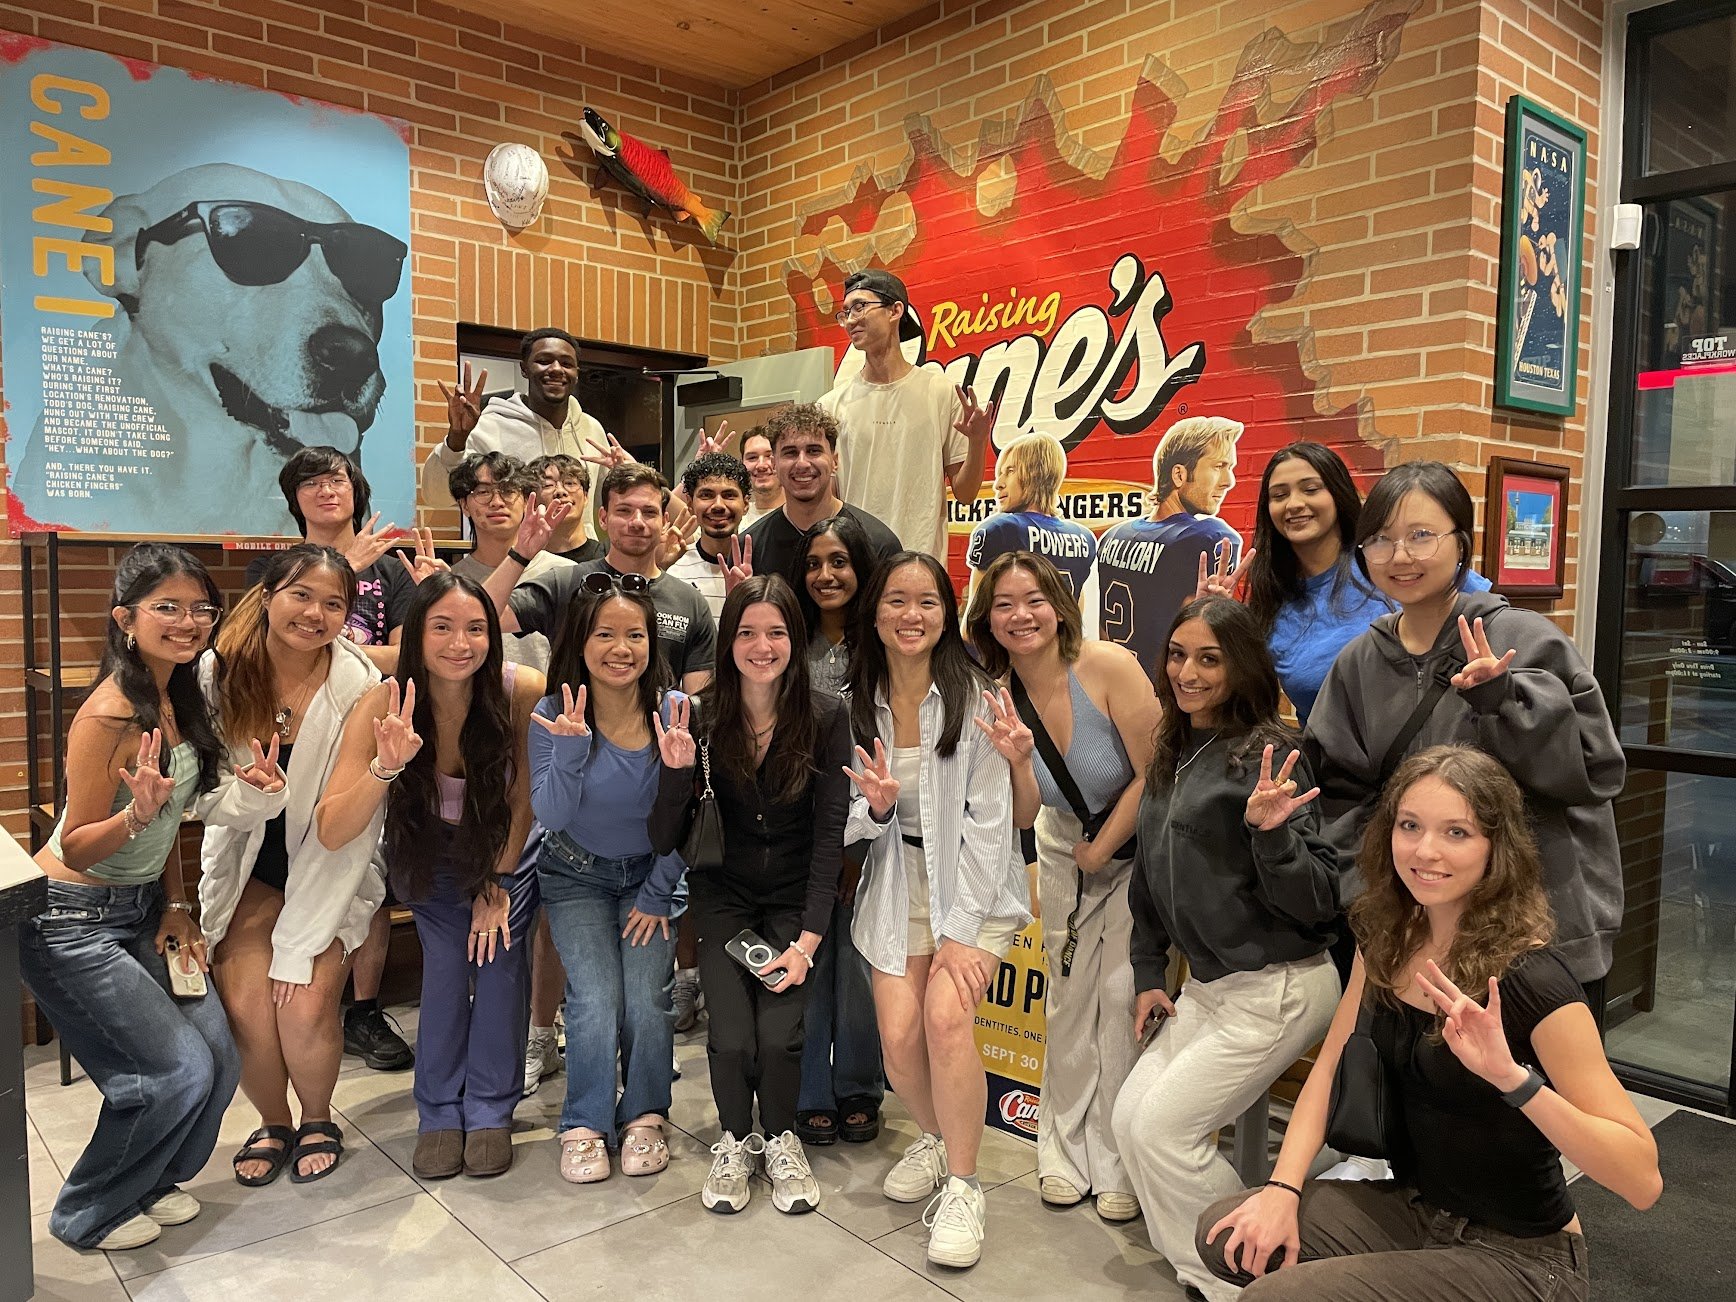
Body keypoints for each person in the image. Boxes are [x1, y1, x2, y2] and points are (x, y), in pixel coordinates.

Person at [1197, 746, 1663, 1301]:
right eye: (1410, 826)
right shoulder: (1389, 938)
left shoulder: (1531, 980)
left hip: (1524, 1256)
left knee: (1276, 1298)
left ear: (1497, 849)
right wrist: (1282, 1188)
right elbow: (1331, 1066)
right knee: (1224, 1232)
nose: (1425, 851)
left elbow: (1642, 1181)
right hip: (1420, 1213)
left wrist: (1514, 1079)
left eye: (1457, 833)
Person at [1305, 461, 1625, 988]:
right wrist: (1373, 895)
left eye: (1421, 536)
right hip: (1415, 930)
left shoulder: (1525, 639)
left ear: (1461, 543)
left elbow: (1594, 773)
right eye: (1380, 540)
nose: (1400, 556)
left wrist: (1506, 704)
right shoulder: (1359, 662)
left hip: (1536, 933)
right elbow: (1338, 792)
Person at [1110, 595, 1342, 1302]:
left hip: (1280, 983)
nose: (1187, 672)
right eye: (1178, 655)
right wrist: (1149, 972)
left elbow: (1319, 900)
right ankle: (1206, 1270)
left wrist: (1271, 836)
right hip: (1210, 987)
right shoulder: (1175, 748)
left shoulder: (1270, 755)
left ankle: (1252, 1280)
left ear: (1240, 666)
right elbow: (1150, 876)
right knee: (1130, 1123)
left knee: (1162, 1134)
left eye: (1209, 659)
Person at [19, 544, 241, 1251]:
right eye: (166, 607)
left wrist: (176, 904)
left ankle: (150, 1182)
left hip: (141, 908)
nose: (188, 621)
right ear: (125, 619)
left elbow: (169, 820)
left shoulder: (177, 696)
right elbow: (77, 844)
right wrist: (136, 818)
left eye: (201, 608)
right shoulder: (110, 715)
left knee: (219, 1058)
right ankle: (87, 1213)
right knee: (172, 1071)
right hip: (68, 920)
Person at [316, 572, 545, 1180]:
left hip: (504, 850)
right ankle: (439, 1112)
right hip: (426, 854)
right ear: (416, 634)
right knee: (445, 970)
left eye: (475, 628)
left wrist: (497, 883)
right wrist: (385, 766)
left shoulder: (521, 690)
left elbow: (523, 797)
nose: (459, 644)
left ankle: (490, 1109)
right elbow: (331, 825)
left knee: (499, 963)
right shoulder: (384, 702)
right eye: (441, 627)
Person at [842, 551, 1032, 1269]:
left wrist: (959, 934)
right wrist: (874, 810)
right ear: (875, 614)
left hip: (973, 890)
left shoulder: (977, 698)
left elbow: (992, 827)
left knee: (946, 1021)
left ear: (947, 615)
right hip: (896, 881)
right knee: (897, 1039)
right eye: (896, 600)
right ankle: (932, 1136)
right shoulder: (855, 701)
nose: (911, 614)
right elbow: (844, 820)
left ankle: (963, 1185)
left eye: (927, 601)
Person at [964, 551, 1158, 1224]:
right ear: (987, 619)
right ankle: (1062, 1151)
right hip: (1061, 850)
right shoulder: (994, 693)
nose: (1021, 616)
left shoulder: (1108, 666)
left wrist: (1103, 848)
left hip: (1132, 852)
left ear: (1060, 607)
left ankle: (1119, 1162)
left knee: (1122, 1000)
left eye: (1034, 600)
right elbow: (1023, 814)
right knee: (1068, 1003)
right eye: (1004, 604)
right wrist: (1020, 760)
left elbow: (1155, 774)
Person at [649, 575, 852, 1215]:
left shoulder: (826, 716)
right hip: (724, 898)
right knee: (733, 1038)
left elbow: (829, 837)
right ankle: (736, 1139)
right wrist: (676, 773)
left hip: (794, 900)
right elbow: (663, 837)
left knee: (781, 1036)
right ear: (728, 641)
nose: (762, 647)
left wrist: (808, 940)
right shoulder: (701, 716)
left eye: (776, 633)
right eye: (747, 633)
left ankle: (783, 1137)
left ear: (796, 639)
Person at [198, 545, 384, 1187]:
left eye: (334, 603)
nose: (315, 614)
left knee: (302, 1002)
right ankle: (274, 1122)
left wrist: (301, 941)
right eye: (301, 595)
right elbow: (205, 796)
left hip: (334, 862)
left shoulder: (360, 685)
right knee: (248, 1002)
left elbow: (344, 830)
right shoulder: (218, 672)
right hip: (248, 861)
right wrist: (256, 794)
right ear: (267, 596)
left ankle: (316, 1117)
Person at [248, 444, 415, 1073]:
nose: (326, 490)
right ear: (294, 499)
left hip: (372, 732)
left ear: (357, 491)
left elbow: (408, 655)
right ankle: (295, 990)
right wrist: (339, 574)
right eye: (311, 482)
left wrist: (332, 653)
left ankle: (363, 1009)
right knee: (289, 860)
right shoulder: (274, 569)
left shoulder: (391, 570)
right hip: (287, 739)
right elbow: (256, 642)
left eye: (337, 479)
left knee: (364, 869)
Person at [529, 581, 684, 1184]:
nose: (621, 649)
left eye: (635, 635)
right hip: (576, 874)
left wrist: (659, 892)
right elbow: (551, 815)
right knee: (594, 999)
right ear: (581, 642)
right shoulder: (553, 712)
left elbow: (688, 812)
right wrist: (570, 750)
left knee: (648, 998)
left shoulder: (674, 710)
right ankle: (584, 1120)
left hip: (652, 875)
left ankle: (645, 1112)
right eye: (605, 635)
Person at [1209, 442, 1489, 725]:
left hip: (1433, 746)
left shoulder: (1387, 564)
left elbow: (1490, 616)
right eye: (1279, 495)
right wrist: (1212, 620)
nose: (1294, 504)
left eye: (1310, 489)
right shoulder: (1272, 602)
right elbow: (1233, 699)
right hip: (1328, 751)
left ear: (1337, 493)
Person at [791, 516, 886, 1146]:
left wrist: (857, 843)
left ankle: (858, 1085)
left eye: (840, 562)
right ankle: (809, 1091)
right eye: (814, 564)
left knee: (856, 963)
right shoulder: (790, 641)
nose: (826, 575)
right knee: (809, 954)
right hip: (799, 827)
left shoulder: (880, 645)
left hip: (869, 826)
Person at [486, 462, 717, 695]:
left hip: (661, 719)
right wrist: (521, 554)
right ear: (603, 518)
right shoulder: (566, 583)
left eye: (649, 512)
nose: (637, 522)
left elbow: (699, 700)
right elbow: (484, 618)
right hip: (570, 718)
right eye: (624, 511)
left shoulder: (689, 602)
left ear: (664, 521)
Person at [820, 268, 997, 559]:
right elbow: (829, 502)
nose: (850, 320)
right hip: (859, 566)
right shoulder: (831, 406)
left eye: (860, 307)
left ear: (895, 310)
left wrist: (978, 442)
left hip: (922, 563)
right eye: (845, 312)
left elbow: (965, 494)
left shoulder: (940, 393)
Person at [1096, 416, 1243, 682]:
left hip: (1113, 686)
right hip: (1169, 692)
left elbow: (1102, 631)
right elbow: (1208, 643)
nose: (1228, 480)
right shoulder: (1209, 537)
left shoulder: (1113, 536)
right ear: (1179, 475)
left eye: (1230, 467)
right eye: (1219, 466)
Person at [421, 328, 611, 510]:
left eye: (566, 364)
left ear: (576, 373)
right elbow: (436, 497)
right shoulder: (491, 427)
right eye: (544, 361)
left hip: (580, 535)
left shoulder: (591, 428)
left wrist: (622, 470)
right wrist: (456, 440)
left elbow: (608, 502)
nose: (556, 369)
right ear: (524, 369)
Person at [740, 402, 901, 588]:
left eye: (813, 451)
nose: (802, 463)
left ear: (834, 462)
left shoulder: (879, 543)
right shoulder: (749, 549)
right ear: (774, 464)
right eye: (790, 453)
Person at [448, 451, 578, 674]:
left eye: (508, 491)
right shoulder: (452, 580)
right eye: (483, 492)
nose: (497, 502)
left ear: (527, 501)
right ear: (464, 505)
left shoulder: (563, 573)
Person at [966, 432, 1097, 606]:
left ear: (1035, 473)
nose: (998, 484)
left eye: (1010, 471)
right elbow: (1076, 615)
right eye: (999, 474)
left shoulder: (1001, 530)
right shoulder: (1083, 537)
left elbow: (973, 618)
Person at [666, 451, 750, 621]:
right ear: (690, 504)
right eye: (707, 495)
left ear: (746, 504)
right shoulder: (674, 571)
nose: (718, 505)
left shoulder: (765, 564)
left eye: (729, 495)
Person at [526, 452, 604, 564]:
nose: (560, 491)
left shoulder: (609, 558)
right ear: (531, 501)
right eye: (548, 485)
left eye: (570, 483)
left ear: (586, 496)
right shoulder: (523, 564)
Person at [740, 425, 783, 526]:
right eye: (752, 457)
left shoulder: (802, 514)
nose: (761, 465)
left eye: (769, 456)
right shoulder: (734, 518)